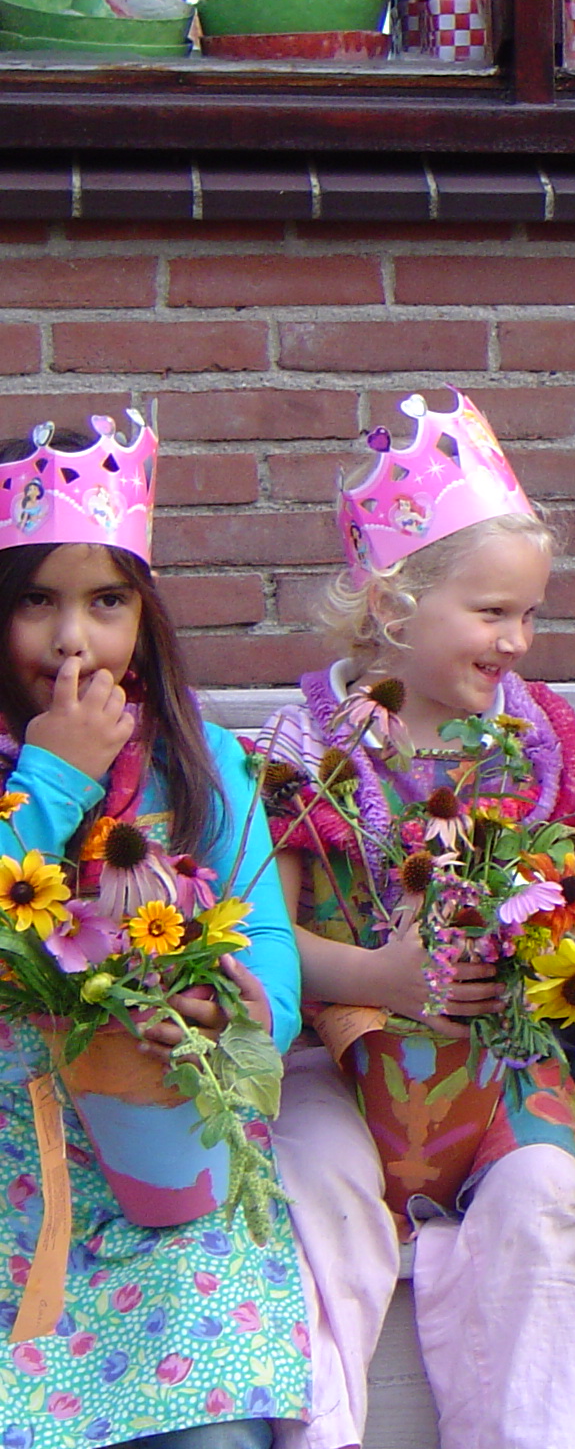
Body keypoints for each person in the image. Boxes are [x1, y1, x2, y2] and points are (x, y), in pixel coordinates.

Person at [257, 390, 575, 1449]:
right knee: (313, 1195)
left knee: (543, 1201)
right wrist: (382, 979)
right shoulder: (307, 747)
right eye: (493, 613)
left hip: (498, 1072)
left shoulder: (534, 745)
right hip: (348, 1069)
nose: (519, 640)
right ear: (397, 610)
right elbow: (266, 935)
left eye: (530, 614)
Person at [0, 413, 309, 1448]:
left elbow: (265, 946)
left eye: (106, 601)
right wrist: (52, 778)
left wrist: (218, 1012)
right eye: (37, 602)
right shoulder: (25, 768)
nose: (73, 637)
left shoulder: (199, 758)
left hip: (169, 1170)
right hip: (10, 1176)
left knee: (212, 1423)